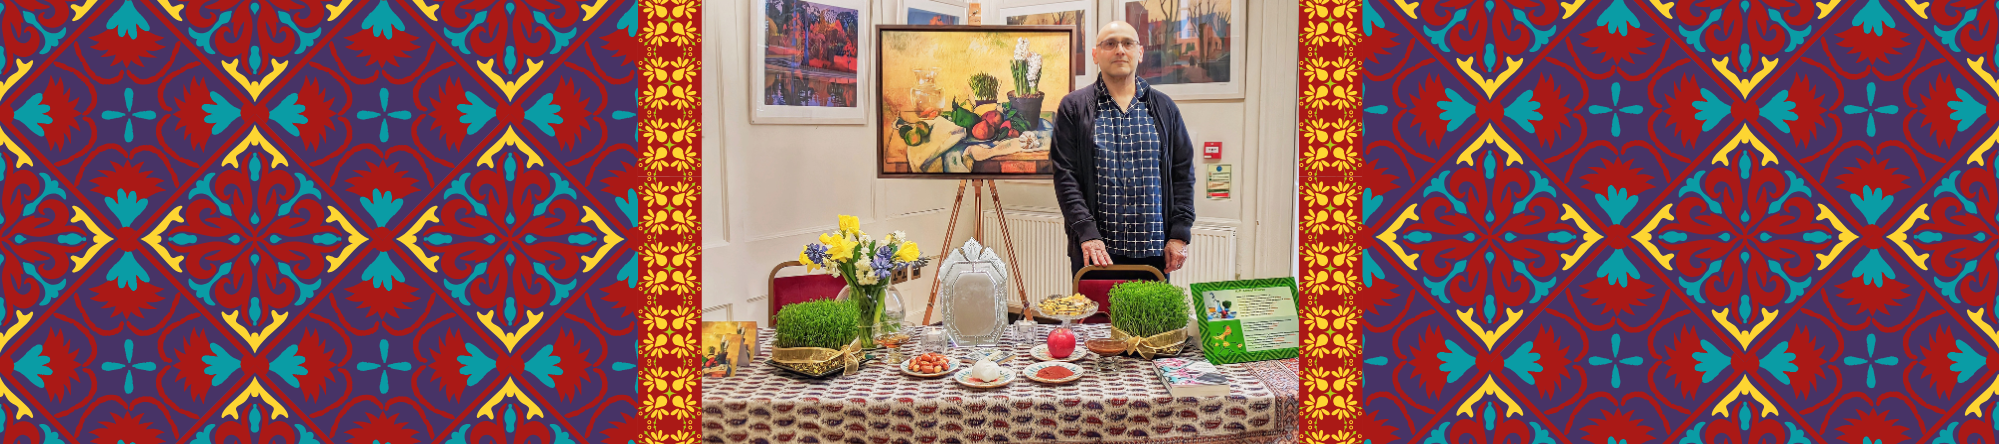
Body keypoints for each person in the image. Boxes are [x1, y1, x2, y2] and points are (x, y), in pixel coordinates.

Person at [1050, 21, 1195, 282]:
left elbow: (1183, 174)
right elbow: (1065, 178)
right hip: (1096, 252)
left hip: (1154, 253)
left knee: (1150, 324)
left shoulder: (1164, 108)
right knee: (1095, 322)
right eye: (1110, 43)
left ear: (1139, 53)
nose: (1120, 50)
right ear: (1095, 54)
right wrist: (1087, 233)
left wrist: (1179, 233)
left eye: (1127, 43)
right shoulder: (1073, 108)